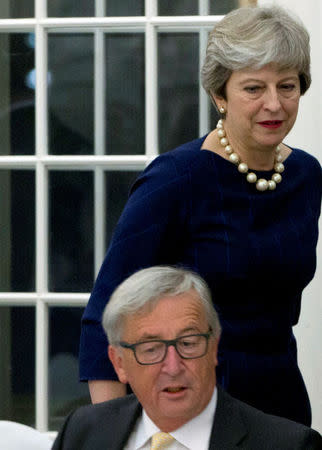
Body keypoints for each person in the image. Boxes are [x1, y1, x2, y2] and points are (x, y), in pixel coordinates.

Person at [79, 5, 322, 426]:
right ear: (219, 95)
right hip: (190, 405)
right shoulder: (176, 180)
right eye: (253, 88)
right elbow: (104, 315)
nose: (274, 104)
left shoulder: (304, 175)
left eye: (286, 86)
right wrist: (111, 432)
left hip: (281, 409)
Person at [55, 267, 321, 449]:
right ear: (119, 364)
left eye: (188, 343)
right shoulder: (82, 432)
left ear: (214, 348)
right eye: (151, 349)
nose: (172, 366)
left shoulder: (288, 445)